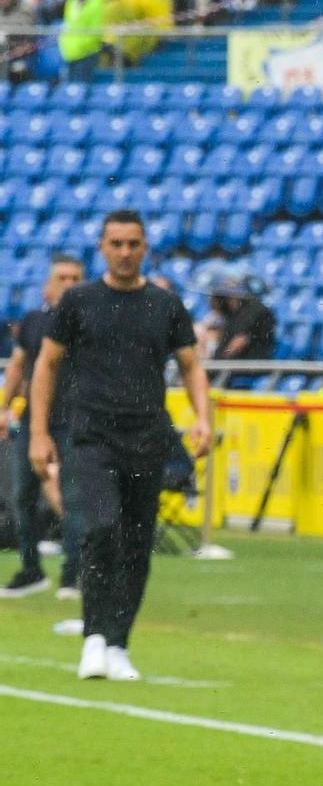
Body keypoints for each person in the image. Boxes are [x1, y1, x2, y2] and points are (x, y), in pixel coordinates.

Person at [28, 212, 213, 682]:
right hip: (91, 436)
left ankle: (119, 643)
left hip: (148, 436)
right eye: (116, 243)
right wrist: (39, 432)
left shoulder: (165, 305)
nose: (125, 252)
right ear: (102, 246)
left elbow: (191, 365)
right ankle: (93, 635)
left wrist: (203, 419)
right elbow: (46, 365)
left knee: (136, 543)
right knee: (102, 527)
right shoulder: (79, 301)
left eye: (133, 243)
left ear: (145, 246)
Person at [1, 254, 83, 599]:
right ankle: (31, 568)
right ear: (48, 285)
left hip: (77, 420)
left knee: (74, 497)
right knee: (23, 496)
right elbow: (19, 365)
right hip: (36, 419)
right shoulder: (34, 321)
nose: (68, 284)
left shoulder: (92, 321)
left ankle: (73, 575)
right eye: (62, 278)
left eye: (75, 278)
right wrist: (3, 407)